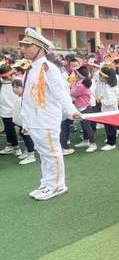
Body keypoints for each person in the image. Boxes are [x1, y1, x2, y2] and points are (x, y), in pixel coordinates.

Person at [18, 28, 80, 201]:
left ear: (39, 48)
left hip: (46, 119)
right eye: (23, 45)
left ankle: (57, 185)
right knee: (44, 154)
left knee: (52, 154)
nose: (24, 49)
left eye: (28, 45)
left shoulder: (48, 68)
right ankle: (47, 183)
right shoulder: (31, 68)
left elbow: (61, 93)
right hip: (35, 119)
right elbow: (27, 97)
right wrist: (26, 120)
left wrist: (71, 111)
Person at [67, 67, 97, 153]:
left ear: (80, 75)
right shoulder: (81, 83)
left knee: (87, 127)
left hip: (85, 108)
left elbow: (72, 93)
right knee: (84, 126)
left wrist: (72, 85)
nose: (75, 76)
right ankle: (86, 141)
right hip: (82, 107)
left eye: (76, 74)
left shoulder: (81, 85)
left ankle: (93, 144)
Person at [11, 78, 36, 164]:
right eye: (13, 87)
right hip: (21, 122)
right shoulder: (19, 97)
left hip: (27, 122)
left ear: (23, 87)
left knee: (27, 136)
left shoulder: (26, 98)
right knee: (24, 135)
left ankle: (31, 155)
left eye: (17, 87)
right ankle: (27, 151)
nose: (14, 89)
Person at [96, 66, 119, 151]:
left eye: (100, 76)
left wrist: (102, 100)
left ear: (105, 77)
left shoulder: (109, 88)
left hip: (110, 111)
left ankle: (111, 143)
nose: (99, 77)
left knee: (110, 127)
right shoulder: (106, 86)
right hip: (108, 111)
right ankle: (110, 140)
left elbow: (111, 101)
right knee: (108, 127)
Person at [0, 63, 20, 156]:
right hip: (5, 111)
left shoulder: (16, 82)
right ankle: (12, 146)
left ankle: (18, 147)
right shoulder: (2, 83)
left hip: (16, 111)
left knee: (22, 130)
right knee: (9, 130)